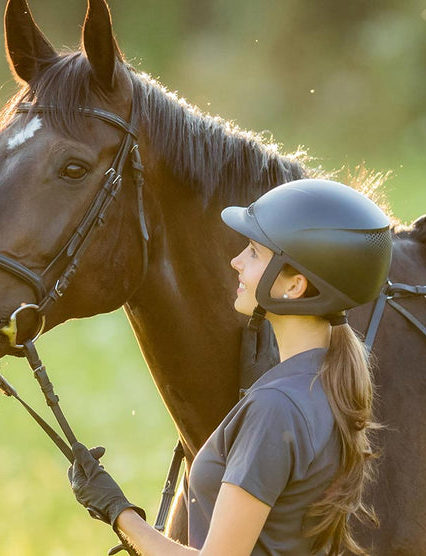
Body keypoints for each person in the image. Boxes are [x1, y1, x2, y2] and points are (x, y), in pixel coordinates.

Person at [68, 178, 394, 555]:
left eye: (254, 252)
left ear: (295, 286)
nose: (236, 261)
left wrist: (117, 511)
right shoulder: (329, 380)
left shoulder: (276, 407)